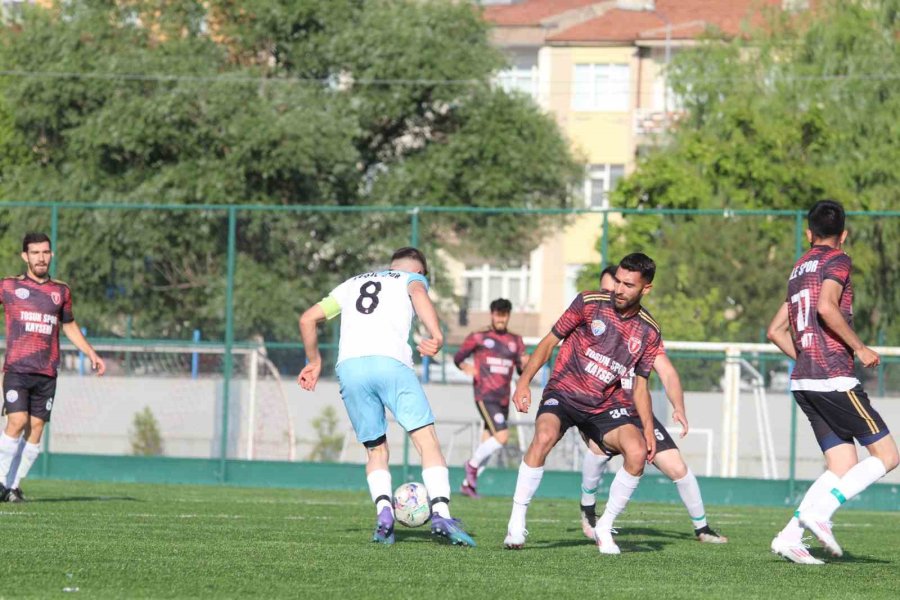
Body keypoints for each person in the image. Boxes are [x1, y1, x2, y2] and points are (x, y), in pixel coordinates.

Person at [297, 247, 475, 547]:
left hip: (350, 367)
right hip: (390, 362)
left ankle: (384, 514)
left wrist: (313, 361)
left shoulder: (352, 283)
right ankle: (442, 515)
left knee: (375, 450)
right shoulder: (411, 279)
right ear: (420, 271)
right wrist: (436, 334)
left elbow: (307, 319)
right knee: (426, 440)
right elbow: (418, 294)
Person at [766, 200, 898, 565]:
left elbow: (774, 330)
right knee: (888, 456)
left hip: (805, 381)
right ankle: (820, 513)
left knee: (841, 464)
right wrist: (860, 346)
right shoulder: (838, 260)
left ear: (808, 234)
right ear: (844, 235)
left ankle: (790, 537)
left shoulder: (797, 270)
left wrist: (806, 359)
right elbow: (826, 307)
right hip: (833, 378)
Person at [504, 253, 661, 555]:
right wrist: (523, 383)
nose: (619, 289)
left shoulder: (649, 332)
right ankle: (516, 521)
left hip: (604, 404)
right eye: (618, 281)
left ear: (646, 289)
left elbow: (641, 384)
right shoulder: (588, 302)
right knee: (545, 436)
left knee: (638, 451)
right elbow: (549, 342)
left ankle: (604, 526)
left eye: (629, 285)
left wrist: (650, 428)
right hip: (564, 392)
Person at [578, 266, 727, 544]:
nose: (614, 294)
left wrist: (679, 407)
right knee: (598, 449)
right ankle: (588, 511)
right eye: (608, 289)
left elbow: (668, 372)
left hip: (635, 411)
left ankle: (702, 528)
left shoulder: (643, 330)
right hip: (598, 406)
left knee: (677, 468)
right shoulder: (590, 321)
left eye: (621, 288)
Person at [0, 232, 106, 501]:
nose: (41, 257)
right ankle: (0, 481)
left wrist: (90, 352)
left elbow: (68, 325)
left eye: (45, 252)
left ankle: (12, 486)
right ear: (25, 256)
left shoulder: (61, 291)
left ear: (51, 255)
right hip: (17, 369)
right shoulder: (9, 287)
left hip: (46, 372)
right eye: (35, 253)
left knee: (36, 428)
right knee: (17, 420)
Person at [454, 298, 528, 498]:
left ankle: (467, 485)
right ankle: (471, 465)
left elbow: (522, 370)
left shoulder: (516, 341)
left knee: (486, 445)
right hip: (485, 395)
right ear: (492, 314)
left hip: (504, 398)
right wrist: (465, 367)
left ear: (508, 316)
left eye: (504, 315)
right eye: (497, 314)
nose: (501, 318)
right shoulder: (479, 337)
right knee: (502, 437)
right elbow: (458, 357)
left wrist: (525, 364)